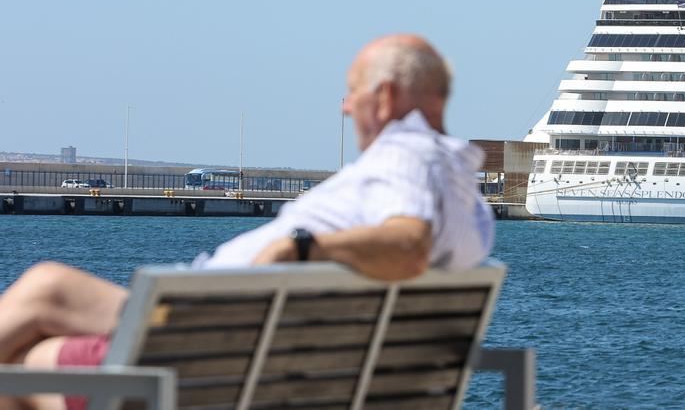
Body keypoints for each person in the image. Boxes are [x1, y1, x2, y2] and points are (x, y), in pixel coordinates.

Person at [0, 34, 494, 410]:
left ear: (384, 96)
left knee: (41, 309)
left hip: (211, 359)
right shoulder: (466, 196)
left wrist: (300, 247)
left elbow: (408, 244)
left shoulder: (405, 155)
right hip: (271, 359)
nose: (345, 106)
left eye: (351, 92)